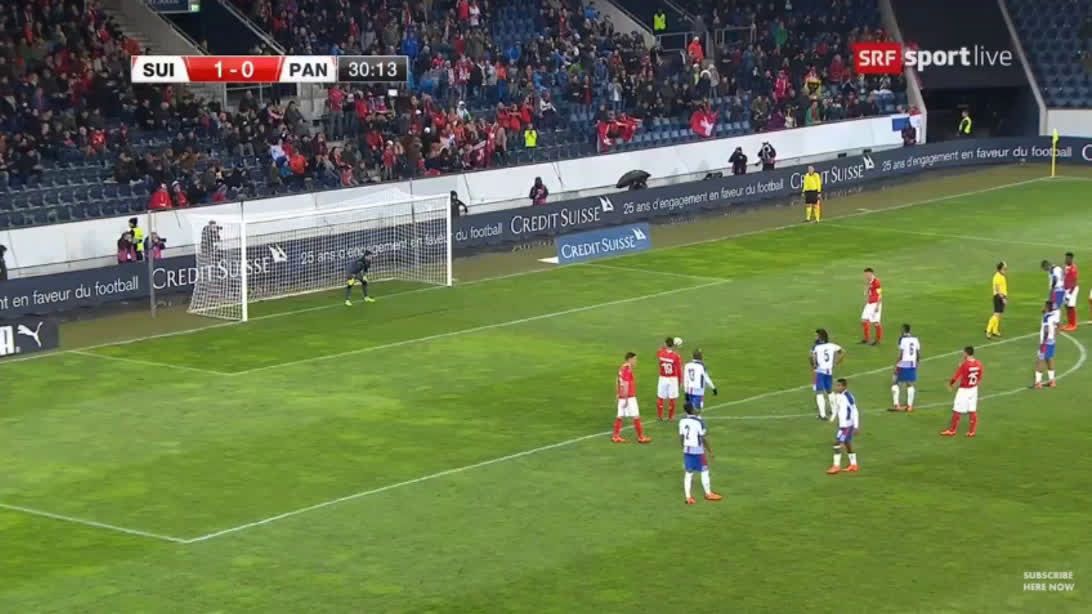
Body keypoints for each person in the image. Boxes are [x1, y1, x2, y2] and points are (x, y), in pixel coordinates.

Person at [679, 402, 722, 504]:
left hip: (687, 450)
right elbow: (703, 438)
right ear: (692, 409)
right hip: (698, 451)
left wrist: (683, 448)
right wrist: (710, 451)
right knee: (704, 471)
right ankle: (708, 493)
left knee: (688, 473)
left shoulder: (682, 421)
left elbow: (681, 437)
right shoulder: (698, 422)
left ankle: (688, 497)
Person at [942, 347, 983, 437]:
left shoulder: (964, 364)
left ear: (966, 353)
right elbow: (980, 376)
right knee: (972, 410)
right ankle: (972, 432)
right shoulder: (979, 363)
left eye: (963, 352)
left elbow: (957, 375)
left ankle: (952, 431)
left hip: (964, 390)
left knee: (957, 409)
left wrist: (950, 384)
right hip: (974, 389)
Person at [612, 352, 651, 444]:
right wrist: (626, 399)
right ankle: (641, 437)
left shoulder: (622, 367)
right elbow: (626, 383)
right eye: (634, 359)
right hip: (629, 397)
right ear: (630, 359)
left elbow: (617, 380)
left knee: (620, 416)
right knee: (636, 416)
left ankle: (615, 436)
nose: (636, 361)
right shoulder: (628, 369)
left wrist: (618, 393)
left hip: (622, 395)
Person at [825, 378, 860, 474]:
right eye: (836, 385)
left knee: (837, 444)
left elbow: (855, 411)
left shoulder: (848, 397)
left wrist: (856, 426)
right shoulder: (838, 396)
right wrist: (832, 418)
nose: (837, 387)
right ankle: (854, 465)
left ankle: (836, 466)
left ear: (844, 386)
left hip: (848, 426)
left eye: (839, 386)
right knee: (847, 444)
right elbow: (837, 408)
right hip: (842, 425)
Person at [810, 328, 844, 420]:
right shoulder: (832, 345)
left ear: (820, 337)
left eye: (816, 335)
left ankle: (822, 415)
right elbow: (842, 352)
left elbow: (811, 357)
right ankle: (834, 410)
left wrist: (813, 365)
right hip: (829, 371)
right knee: (829, 390)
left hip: (820, 371)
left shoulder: (816, 347)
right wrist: (835, 363)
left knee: (819, 392)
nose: (815, 337)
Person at [890, 324, 921, 412]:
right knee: (909, 383)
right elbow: (917, 352)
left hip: (904, 363)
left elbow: (901, 354)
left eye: (901, 329)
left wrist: (897, 364)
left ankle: (896, 405)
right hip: (912, 363)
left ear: (904, 330)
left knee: (895, 382)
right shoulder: (915, 339)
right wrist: (918, 361)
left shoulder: (902, 339)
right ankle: (909, 406)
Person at [1034, 300, 1061, 388]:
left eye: (1044, 306)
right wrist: (1054, 337)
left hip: (1045, 342)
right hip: (1052, 342)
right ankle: (1052, 381)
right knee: (1050, 359)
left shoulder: (1046, 318)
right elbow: (1058, 325)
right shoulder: (1054, 316)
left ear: (1047, 308)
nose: (1043, 307)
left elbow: (1046, 329)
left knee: (1040, 361)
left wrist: (1043, 342)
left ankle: (1038, 382)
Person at [656, 337, 684, 421]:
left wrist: (668, 346)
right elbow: (679, 369)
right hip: (672, 378)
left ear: (665, 344)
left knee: (661, 397)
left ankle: (660, 416)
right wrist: (680, 380)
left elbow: (661, 350)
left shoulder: (661, 353)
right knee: (672, 398)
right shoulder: (676, 356)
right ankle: (670, 417)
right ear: (673, 345)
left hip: (662, 378)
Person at [861, 268, 883, 345]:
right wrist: (867, 286)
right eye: (865, 274)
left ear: (870, 273)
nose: (865, 276)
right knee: (864, 320)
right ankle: (867, 339)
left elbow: (880, 294)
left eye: (866, 274)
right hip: (869, 303)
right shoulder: (869, 281)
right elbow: (867, 292)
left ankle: (878, 340)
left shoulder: (877, 282)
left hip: (875, 304)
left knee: (876, 323)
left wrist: (877, 306)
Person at [986, 261, 1008, 339]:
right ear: (1001, 268)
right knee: (996, 315)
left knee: (999, 315)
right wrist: (1003, 298)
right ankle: (988, 331)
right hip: (998, 297)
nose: (1006, 269)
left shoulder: (1002, 276)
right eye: (1005, 267)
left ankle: (995, 331)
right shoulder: (997, 276)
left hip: (1002, 296)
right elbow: (997, 289)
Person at [1062, 252, 1079, 331]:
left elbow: (1074, 283)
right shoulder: (1065, 267)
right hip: (1066, 289)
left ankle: (1073, 324)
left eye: (1067, 258)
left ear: (1071, 259)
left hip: (1072, 289)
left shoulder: (1073, 269)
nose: (1066, 259)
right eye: (1065, 258)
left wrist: (1069, 294)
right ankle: (1069, 323)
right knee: (1067, 306)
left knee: (1071, 306)